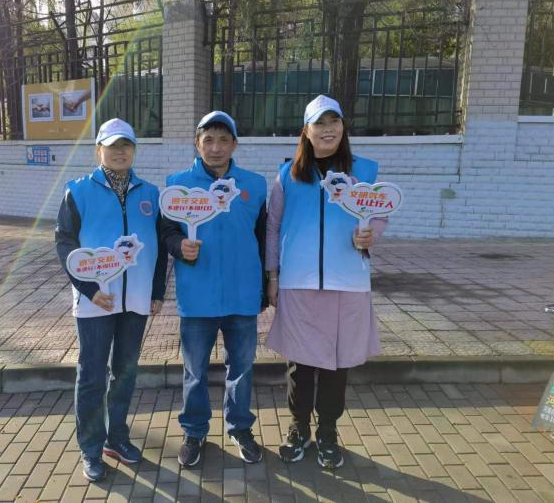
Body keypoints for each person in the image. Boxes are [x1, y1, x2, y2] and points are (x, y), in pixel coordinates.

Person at [265, 95, 387, 469]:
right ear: (307, 131)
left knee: (337, 363)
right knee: (299, 364)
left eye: (334, 121)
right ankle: (299, 427)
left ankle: (328, 432)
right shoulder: (288, 175)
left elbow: (379, 213)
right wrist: (273, 274)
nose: (327, 129)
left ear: (343, 127)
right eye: (319, 123)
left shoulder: (364, 171)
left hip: (347, 282)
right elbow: (273, 226)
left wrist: (371, 234)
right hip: (298, 282)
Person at [55, 118, 167, 482]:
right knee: (91, 376)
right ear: (98, 151)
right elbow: (65, 243)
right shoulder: (78, 191)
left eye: (126, 145)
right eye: (112, 145)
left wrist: (156, 291)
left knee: (125, 372)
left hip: (136, 300)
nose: (120, 152)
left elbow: (159, 247)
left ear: (134, 150)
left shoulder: (150, 193)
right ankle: (90, 447)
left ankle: (116, 438)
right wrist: (89, 289)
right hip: (96, 301)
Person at [161, 111, 268, 467]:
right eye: (208, 140)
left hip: (242, 293)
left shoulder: (254, 185)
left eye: (224, 140)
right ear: (197, 143)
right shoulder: (177, 184)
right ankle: (194, 431)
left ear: (235, 144)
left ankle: (240, 428)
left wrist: (266, 286)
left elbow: (263, 239)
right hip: (197, 296)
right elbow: (166, 233)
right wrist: (179, 247)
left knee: (242, 368)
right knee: (195, 371)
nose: (216, 147)